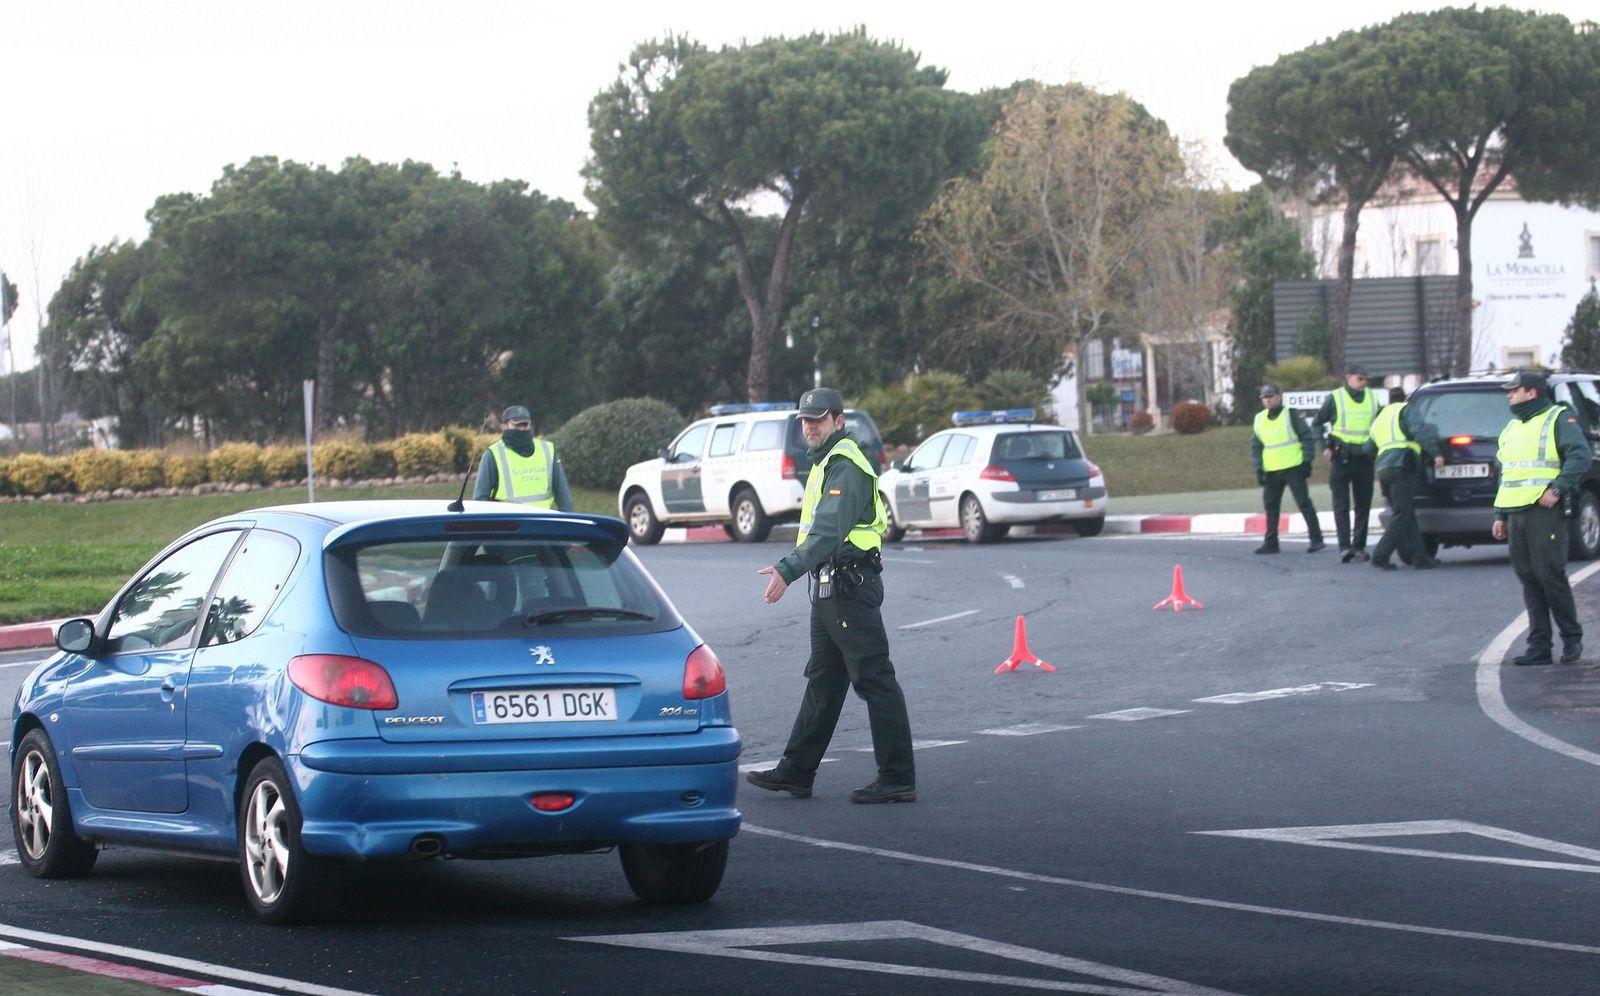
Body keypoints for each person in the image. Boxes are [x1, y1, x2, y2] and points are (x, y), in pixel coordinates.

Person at [745, 387, 916, 804]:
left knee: (874, 677)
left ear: (839, 421)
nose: (809, 426)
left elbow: (827, 532)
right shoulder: (825, 463)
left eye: (818, 419)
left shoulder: (845, 466)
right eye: (804, 420)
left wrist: (787, 570)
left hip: (847, 586)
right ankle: (797, 771)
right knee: (824, 679)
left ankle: (897, 777)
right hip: (829, 586)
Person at [1491, 371, 1592, 665]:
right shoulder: (1511, 427)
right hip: (1515, 512)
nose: (1509, 395)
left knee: (1550, 575)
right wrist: (1499, 514)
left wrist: (1559, 488)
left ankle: (1571, 640)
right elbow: (1506, 473)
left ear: (1532, 392)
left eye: (1514, 390)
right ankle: (1539, 647)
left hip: (1543, 510)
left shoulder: (1558, 418)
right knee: (1529, 577)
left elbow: (1579, 456)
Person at [1368, 387, 1445, 571]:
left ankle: (1420, 557)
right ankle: (1380, 555)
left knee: (1406, 513)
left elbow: (1368, 447)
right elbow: (1420, 431)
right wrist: (1435, 454)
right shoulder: (1406, 409)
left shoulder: (1380, 417)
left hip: (1384, 469)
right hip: (1402, 465)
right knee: (1402, 514)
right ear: (1405, 399)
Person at [1314, 364, 1382, 562]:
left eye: (1365, 379)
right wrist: (1323, 447)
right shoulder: (1336, 397)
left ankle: (1359, 546)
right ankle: (1345, 547)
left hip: (1364, 459)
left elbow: (1378, 424)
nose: (1363, 383)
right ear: (1348, 378)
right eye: (1360, 379)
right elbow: (1317, 423)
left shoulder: (1372, 397)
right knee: (1341, 505)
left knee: (1363, 505)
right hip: (1341, 458)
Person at [1250, 384, 1326, 555]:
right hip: (1271, 471)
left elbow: (1307, 437)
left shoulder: (1291, 414)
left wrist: (1307, 461)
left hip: (1294, 467)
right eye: (1265, 397)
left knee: (1304, 503)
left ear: (1279, 396)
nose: (1268, 399)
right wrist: (1258, 469)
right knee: (1271, 507)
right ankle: (1271, 542)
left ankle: (1316, 539)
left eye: (1271, 396)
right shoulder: (1259, 419)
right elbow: (1256, 446)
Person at [472, 404, 573, 511]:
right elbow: (480, 500)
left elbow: (564, 499)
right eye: (517, 425)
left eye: (525, 425)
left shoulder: (548, 450)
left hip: (541, 523)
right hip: (507, 524)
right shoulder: (493, 455)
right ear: (504, 427)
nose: (522, 429)